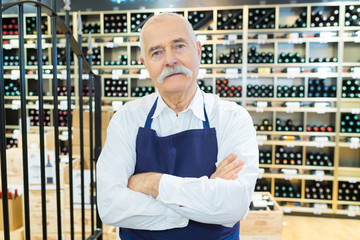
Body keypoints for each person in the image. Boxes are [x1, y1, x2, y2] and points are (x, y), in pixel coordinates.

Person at [96, 12, 259, 240]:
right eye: (157, 52)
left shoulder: (232, 118)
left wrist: (151, 183)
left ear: (198, 52)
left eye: (179, 46)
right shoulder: (126, 119)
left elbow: (234, 205)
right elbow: (110, 206)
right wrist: (204, 204)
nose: (170, 60)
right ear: (145, 64)